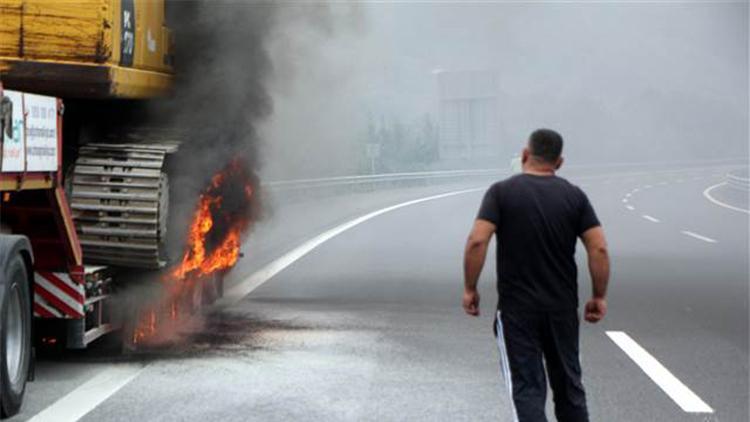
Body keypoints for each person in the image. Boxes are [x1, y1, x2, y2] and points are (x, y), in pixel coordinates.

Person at [462, 128, 610, 422]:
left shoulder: (501, 193)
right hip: (561, 310)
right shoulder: (575, 197)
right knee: (569, 388)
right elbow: (599, 249)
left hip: (517, 311)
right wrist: (599, 296)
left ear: (525, 154)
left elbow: (478, 240)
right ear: (560, 162)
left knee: (528, 389)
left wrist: (470, 288)